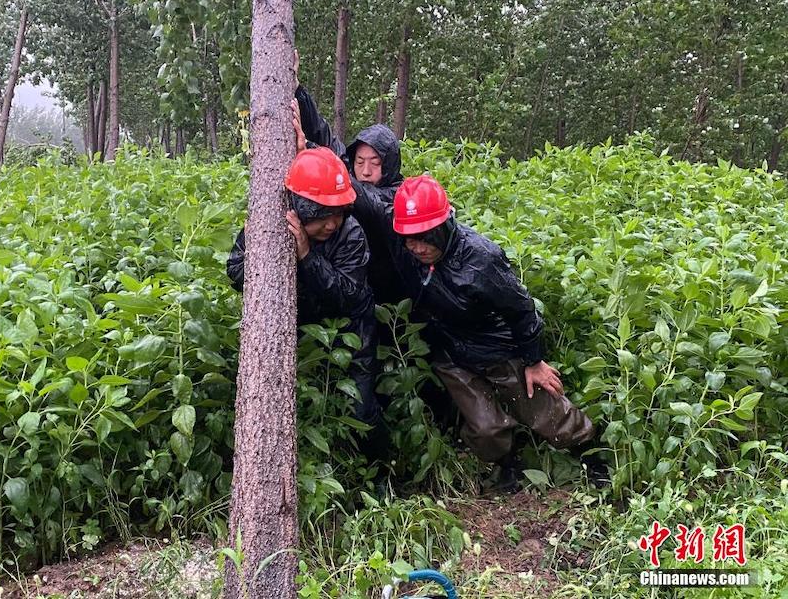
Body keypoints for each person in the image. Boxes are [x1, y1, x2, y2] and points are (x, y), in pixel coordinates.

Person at [350, 173, 605, 491]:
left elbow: (521, 308)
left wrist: (533, 360)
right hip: (449, 350)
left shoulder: (481, 259)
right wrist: (316, 153)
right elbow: (366, 201)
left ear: (445, 225)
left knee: (546, 412)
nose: (417, 247)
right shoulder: (405, 244)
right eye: (409, 239)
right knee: (486, 429)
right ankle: (508, 466)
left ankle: (594, 457)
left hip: (496, 345)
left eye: (425, 237)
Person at [226, 146, 390, 461]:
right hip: (301, 333)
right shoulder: (270, 225)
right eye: (324, 216)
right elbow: (235, 272)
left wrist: (307, 256)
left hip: (352, 331)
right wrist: (260, 253)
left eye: (338, 213)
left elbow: (347, 296)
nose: (332, 224)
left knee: (360, 409)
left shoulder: (351, 234)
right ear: (303, 208)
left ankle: (382, 471)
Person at [293, 84, 407, 305]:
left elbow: (367, 199)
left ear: (390, 164)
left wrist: (311, 155)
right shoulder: (347, 175)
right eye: (359, 162)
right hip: (347, 280)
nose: (366, 171)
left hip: (390, 297)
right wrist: (298, 90)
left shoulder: (398, 196)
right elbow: (325, 138)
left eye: (375, 163)